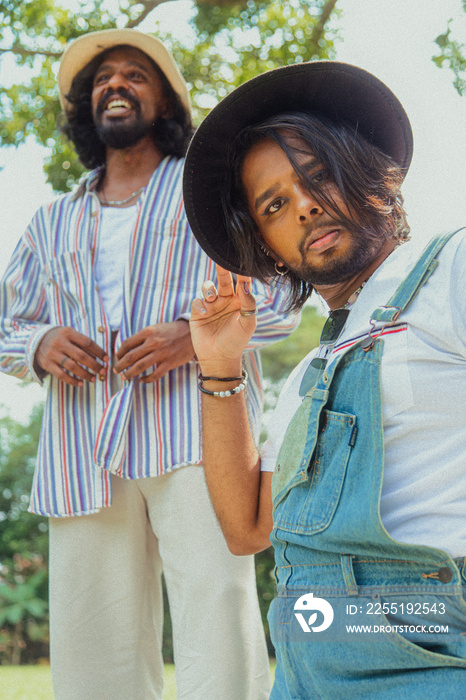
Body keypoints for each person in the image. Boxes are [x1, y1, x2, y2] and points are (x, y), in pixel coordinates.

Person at [0, 29, 299, 700]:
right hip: (81, 451)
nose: (115, 85)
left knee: (217, 622)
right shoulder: (50, 223)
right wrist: (40, 343)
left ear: (165, 104)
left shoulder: (211, 196)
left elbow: (280, 292)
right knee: (91, 644)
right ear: (86, 110)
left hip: (198, 435)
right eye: (102, 80)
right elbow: (6, 325)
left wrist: (194, 337)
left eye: (135, 75)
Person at [183, 61, 466, 697]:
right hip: (308, 670)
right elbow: (248, 526)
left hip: (427, 653)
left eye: (319, 175)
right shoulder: (312, 374)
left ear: (368, 171)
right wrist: (220, 362)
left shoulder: (452, 267)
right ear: (266, 243)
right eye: (275, 204)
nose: (305, 205)